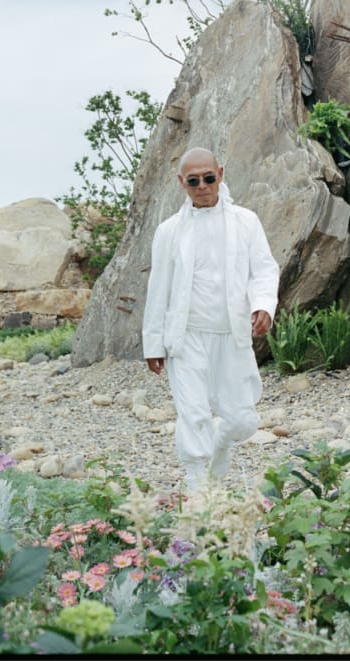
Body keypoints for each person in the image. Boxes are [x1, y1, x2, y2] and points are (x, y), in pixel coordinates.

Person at [142, 147, 280, 492]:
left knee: (243, 420)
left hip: (231, 335)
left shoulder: (246, 222)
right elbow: (158, 288)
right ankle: (197, 489)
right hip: (186, 337)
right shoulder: (169, 231)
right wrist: (153, 342)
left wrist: (264, 305)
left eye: (208, 178)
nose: (202, 186)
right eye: (193, 181)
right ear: (181, 183)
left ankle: (221, 442)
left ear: (220, 173)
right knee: (194, 413)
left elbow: (264, 269)